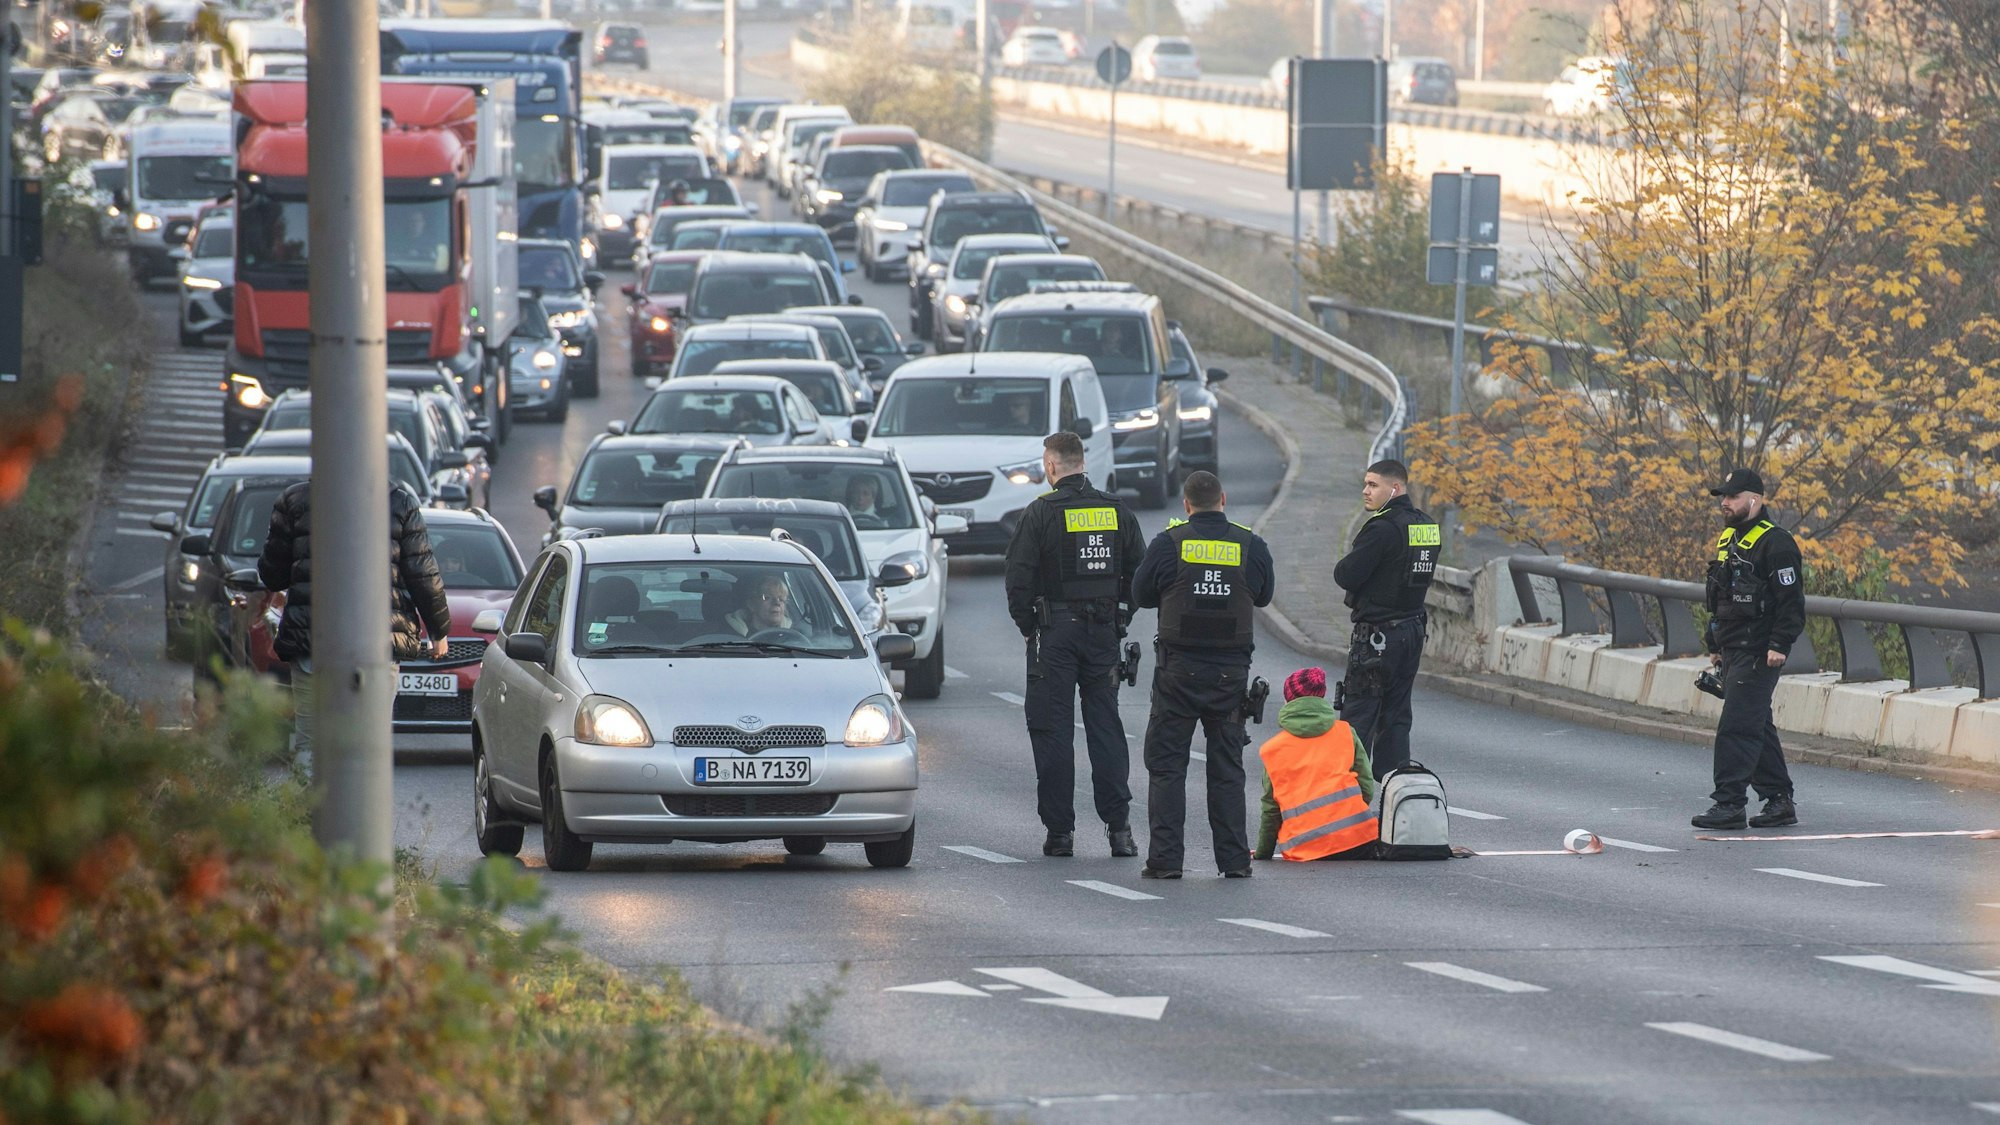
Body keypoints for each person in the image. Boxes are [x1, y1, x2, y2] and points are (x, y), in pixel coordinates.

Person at [1003, 431, 1146, 858]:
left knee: (1053, 730)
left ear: (1051, 467)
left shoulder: (1040, 513)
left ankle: (1060, 833)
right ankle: (1120, 830)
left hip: (1055, 635)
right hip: (1103, 633)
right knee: (1105, 727)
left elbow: (1018, 579)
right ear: (1083, 463)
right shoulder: (1116, 511)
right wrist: (1121, 615)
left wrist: (1030, 626)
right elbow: (1139, 573)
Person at [1132, 470, 1275, 879]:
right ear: (1224, 500)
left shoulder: (1169, 543)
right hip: (1230, 677)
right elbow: (1264, 595)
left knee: (1166, 767)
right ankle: (1233, 863)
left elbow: (1140, 595)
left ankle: (1165, 861)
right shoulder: (1250, 544)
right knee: (1227, 770)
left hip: (1178, 673)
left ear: (1186, 505)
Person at [257, 481, 451, 759]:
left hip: (312, 642)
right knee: (370, 748)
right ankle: (363, 800)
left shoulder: (294, 501)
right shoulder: (400, 504)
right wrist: (438, 630)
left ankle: (312, 801)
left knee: (310, 745)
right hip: (376, 646)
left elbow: (272, 574)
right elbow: (423, 575)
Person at [1693, 468, 1805, 830]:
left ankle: (1728, 804)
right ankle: (1779, 801)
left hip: (1760, 651)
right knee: (1756, 724)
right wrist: (1716, 645)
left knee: (1737, 727)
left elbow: (1792, 602)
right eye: (1723, 497)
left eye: (1732, 497)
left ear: (1754, 499)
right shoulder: (1729, 540)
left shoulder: (1778, 542)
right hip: (1733, 648)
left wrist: (1779, 644)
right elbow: (1720, 597)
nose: (1725, 503)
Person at [1331, 459, 1439, 777]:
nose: (1365, 491)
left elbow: (1346, 574)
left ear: (1395, 488)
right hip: (1412, 631)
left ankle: (1347, 804)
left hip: (1377, 638)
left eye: (1373, 485)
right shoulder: (1426, 526)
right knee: (1396, 719)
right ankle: (1394, 800)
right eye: (1365, 484)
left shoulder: (1381, 529)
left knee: (1358, 718)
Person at [1253, 667, 1379, 862]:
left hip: (1306, 849)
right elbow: (1366, 786)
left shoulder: (1272, 749)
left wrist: (1263, 853)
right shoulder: (1346, 732)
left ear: (1288, 700)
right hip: (1357, 841)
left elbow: (1271, 810)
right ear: (1321, 698)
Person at [726, 572, 793, 636]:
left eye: (781, 599)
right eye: (767, 597)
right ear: (751, 604)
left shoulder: (793, 634)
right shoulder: (729, 634)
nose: (777, 603)